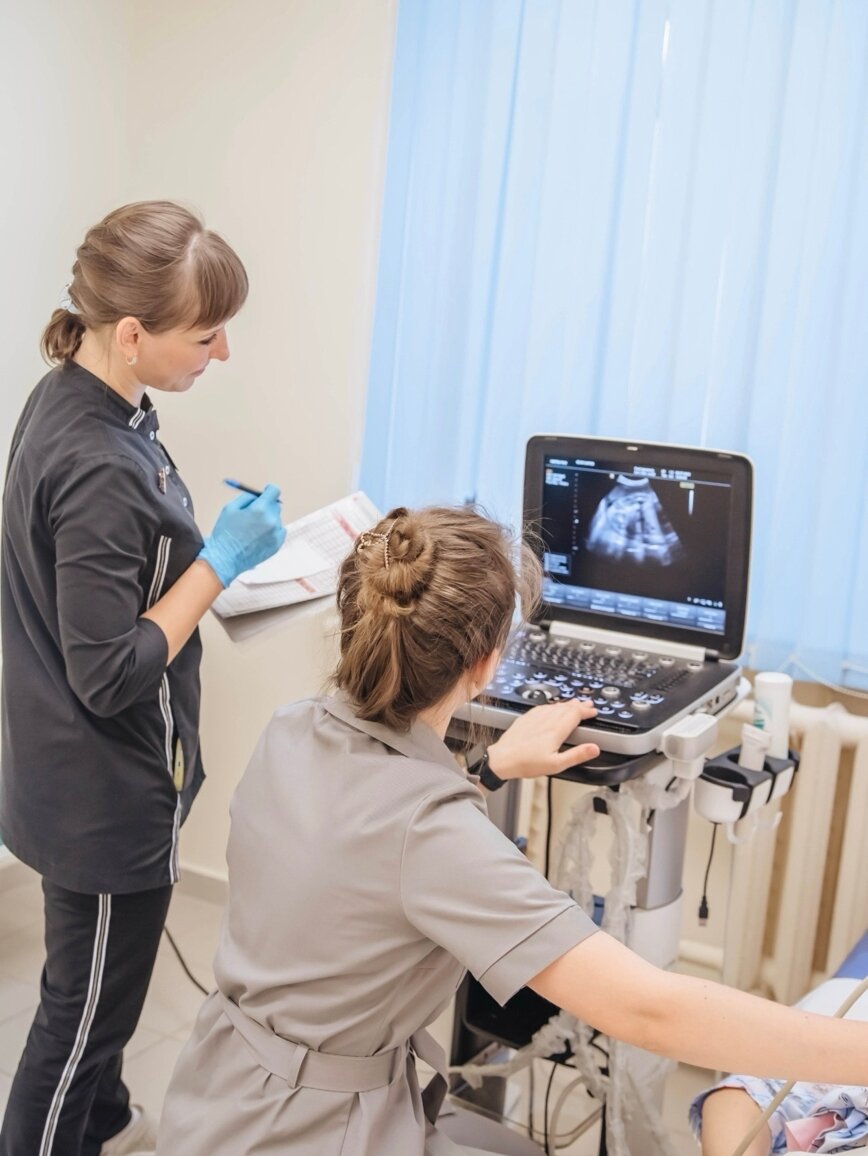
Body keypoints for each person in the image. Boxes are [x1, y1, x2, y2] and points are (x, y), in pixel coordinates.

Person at [157, 506, 868, 1156]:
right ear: (486, 664)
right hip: (311, 1133)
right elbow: (650, 1010)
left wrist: (490, 767)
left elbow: (366, 845)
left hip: (219, 1094)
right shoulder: (432, 833)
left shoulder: (290, 728)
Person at [0, 201, 286, 1156]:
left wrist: (199, 562)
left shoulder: (79, 396)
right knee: (79, 1023)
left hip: (68, 771)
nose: (222, 352)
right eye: (205, 336)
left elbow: (109, 585)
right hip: (103, 795)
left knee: (100, 996)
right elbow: (107, 673)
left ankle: (110, 1123)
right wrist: (219, 565)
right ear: (130, 334)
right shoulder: (95, 461)